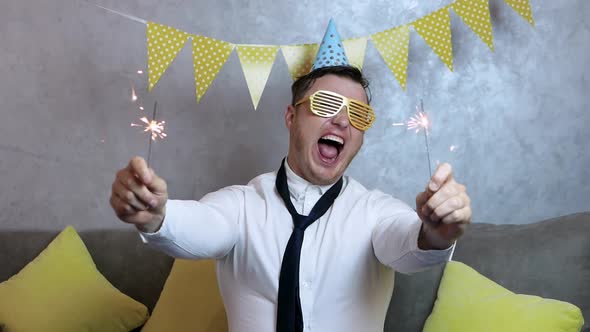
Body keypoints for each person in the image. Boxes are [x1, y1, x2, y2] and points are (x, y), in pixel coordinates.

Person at [110, 20, 471, 332]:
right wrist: (157, 217)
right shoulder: (242, 205)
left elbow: (407, 243)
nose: (342, 122)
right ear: (291, 118)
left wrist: (435, 234)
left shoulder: (375, 212)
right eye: (326, 105)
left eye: (358, 115)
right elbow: (203, 225)